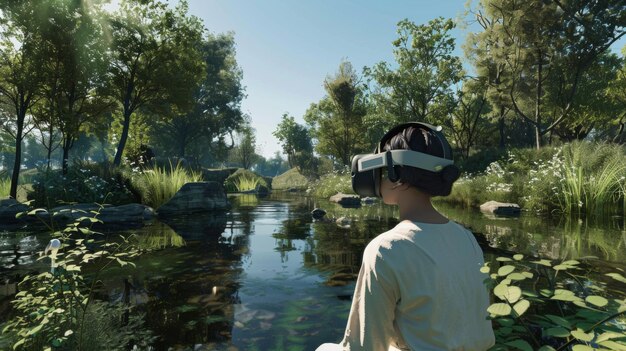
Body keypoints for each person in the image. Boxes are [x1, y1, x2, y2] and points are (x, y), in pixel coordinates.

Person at [317, 122, 495, 351]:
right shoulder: (467, 238)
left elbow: (365, 345)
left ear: (395, 173)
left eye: (380, 170)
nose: (378, 179)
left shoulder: (386, 249)